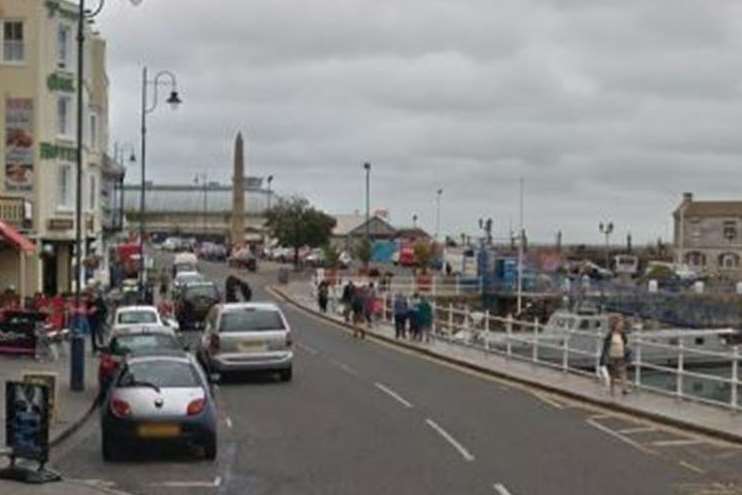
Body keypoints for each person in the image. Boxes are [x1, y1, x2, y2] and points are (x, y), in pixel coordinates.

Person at [600, 314, 630, 396]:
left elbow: (625, 342)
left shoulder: (622, 334)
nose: (621, 325)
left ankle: (624, 389)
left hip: (621, 356)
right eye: (620, 324)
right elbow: (605, 347)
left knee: (623, 371)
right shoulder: (610, 335)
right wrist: (603, 358)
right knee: (613, 374)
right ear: (614, 325)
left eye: (622, 324)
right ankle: (611, 388)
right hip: (612, 356)